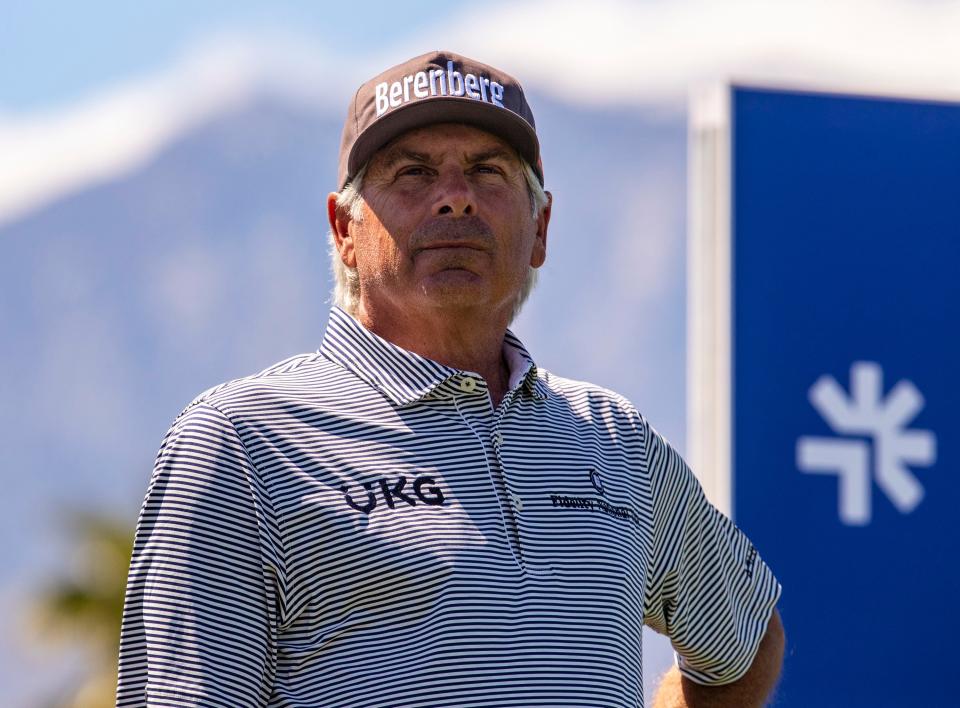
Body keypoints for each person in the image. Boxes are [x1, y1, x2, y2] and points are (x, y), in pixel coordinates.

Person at [116, 50, 783, 707]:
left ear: (541, 228)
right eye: (412, 174)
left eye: (488, 173)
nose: (456, 198)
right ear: (344, 230)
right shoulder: (240, 442)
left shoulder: (614, 440)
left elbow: (747, 640)